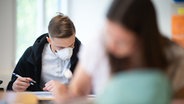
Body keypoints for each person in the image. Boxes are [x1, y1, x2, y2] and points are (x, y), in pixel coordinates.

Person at [46, 0, 184, 102]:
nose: (111, 46)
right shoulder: (98, 45)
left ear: (144, 40)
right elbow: (78, 91)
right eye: (108, 34)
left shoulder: (174, 57)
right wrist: (66, 96)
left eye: (120, 42)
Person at [7, 13, 81, 92]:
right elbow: (10, 89)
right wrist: (14, 87)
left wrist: (67, 89)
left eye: (71, 45)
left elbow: (92, 88)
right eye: (61, 47)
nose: (67, 51)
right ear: (49, 40)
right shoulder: (31, 55)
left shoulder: (83, 54)